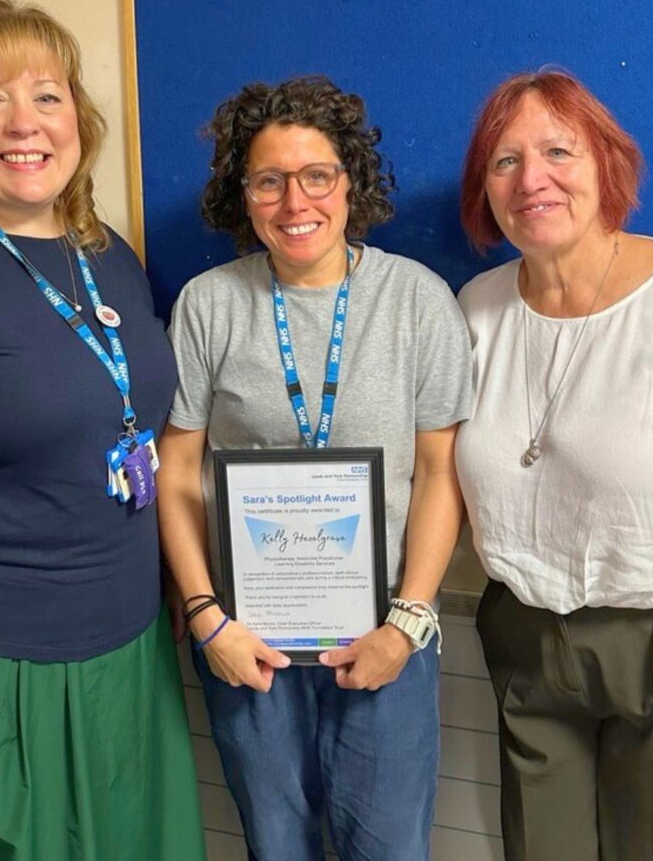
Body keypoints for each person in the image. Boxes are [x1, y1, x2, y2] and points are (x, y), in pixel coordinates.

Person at [0, 0, 205, 860]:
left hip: (125, 664)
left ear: (78, 116)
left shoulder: (108, 253)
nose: (24, 122)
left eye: (47, 95)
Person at [157, 76, 471, 861]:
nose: (294, 201)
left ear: (349, 182)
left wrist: (408, 623)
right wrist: (205, 618)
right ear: (243, 193)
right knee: (277, 846)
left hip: (385, 638)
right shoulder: (208, 304)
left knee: (389, 848)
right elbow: (176, 467)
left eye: (316, 175)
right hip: (248, 640)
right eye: (268, 180)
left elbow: (439, 473)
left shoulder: (417, 302)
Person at [455, 70, 653, 861]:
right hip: (522, 629)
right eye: (503, 161)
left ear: (607, 166)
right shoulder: (472, 309)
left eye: (559, 151)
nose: (532, 179)